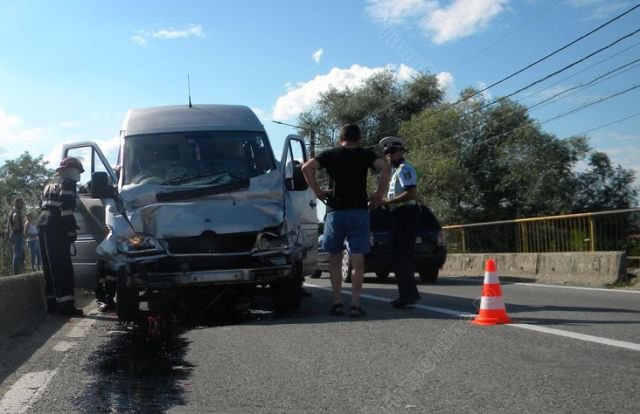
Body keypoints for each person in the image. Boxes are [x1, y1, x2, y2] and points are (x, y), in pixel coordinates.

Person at [302, 124, 390, 317]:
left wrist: (317, 191)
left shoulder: (330, 154)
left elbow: (306, 167)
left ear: (341, 138)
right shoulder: (365, 154)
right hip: (358, 211)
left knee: (334, 258)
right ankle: (356, 304)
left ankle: (337, 303)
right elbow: (385, 167)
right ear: (359, 138)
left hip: (335, 212)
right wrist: (379, 193)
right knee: (358, 259)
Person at [38, 157, 84, 316]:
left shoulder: (49, 184)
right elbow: (66, 210)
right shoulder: (68, 183)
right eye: (78, 171)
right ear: (71, 170)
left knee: (49, 265)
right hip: (56, 225)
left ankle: (52, 303)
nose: (79, 175)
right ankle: (66, 306)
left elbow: (42, 205)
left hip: (43, 223)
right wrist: (71, 231)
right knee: (62, 264)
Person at [380, 136, 421, 308]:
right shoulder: (396, 171)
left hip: (406, 214)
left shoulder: (405, 169)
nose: (389, 155)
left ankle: (409, 295)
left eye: (392, 152)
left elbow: (411, 193)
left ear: (400, 152)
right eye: (387, 153)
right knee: (399, 257)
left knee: (402, 256)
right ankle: (407, 294)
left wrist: (387, 202)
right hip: (399, 215)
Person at [7, 197, 26, 274]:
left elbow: (9, 224)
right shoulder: (15, 212)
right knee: (17, 253)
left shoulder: (12, 211)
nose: (22, 204)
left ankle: (19, 270)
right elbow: (15, 219)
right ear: (16, 203)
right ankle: (16, 272)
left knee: (19, 253)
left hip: (15, 234)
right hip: (17, 234)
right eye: (21, 203)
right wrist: (19, 230)